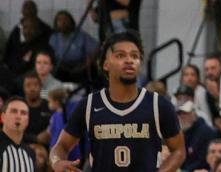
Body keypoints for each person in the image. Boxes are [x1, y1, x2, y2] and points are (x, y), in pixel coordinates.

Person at [50, 32, 186, 172]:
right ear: (105, 64)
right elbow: (61, 146)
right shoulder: (89, 105)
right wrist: (57, 162)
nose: (129, 60)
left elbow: (179, 150)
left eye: (134, 56)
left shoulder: (158, 104)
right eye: (120, 55)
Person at [46, 11, 95, 85]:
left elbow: (95, 49)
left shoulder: (81, 35)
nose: (63, 22)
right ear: (56, 23)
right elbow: (49, 56)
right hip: (61, 68)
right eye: (60, 20)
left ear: (71, 21)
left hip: (80, 67)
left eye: (65, 19)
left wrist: (85, 64)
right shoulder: (54, 38)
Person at [177, 97, 218, 172]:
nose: (181, 116)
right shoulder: (183, 131)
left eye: (185, 113)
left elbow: (203, 160)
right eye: (179, 113)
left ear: (194, 114)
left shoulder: (205, 132)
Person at [1, 97, 35, 172]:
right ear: (3, 117)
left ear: (27, 121)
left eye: (23, 113)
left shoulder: (30, 152)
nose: (18, 116)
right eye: (14, 111)